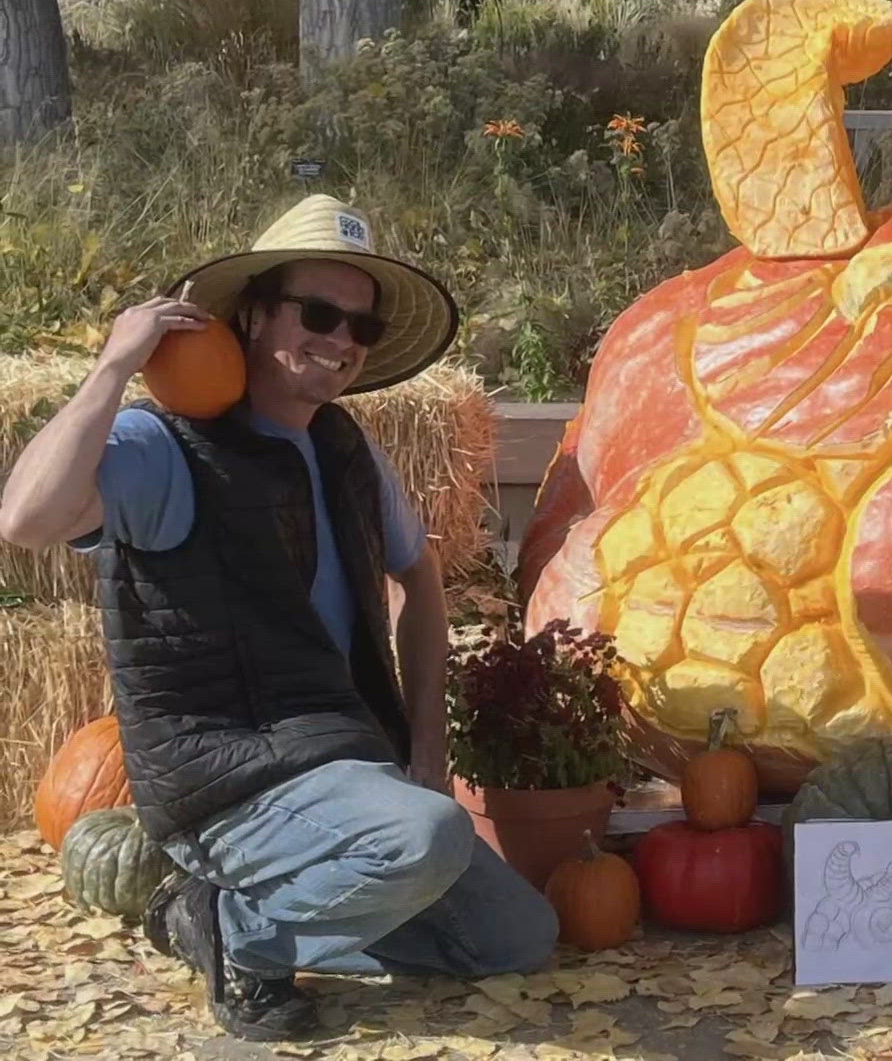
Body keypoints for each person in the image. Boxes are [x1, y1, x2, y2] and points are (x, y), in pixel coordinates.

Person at [0, 194, 557, 1042]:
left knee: (516, 937)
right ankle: (241, 938)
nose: (339, 341)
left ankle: (224, 916)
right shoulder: (167, 447)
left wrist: (426, 747)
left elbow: (420, 575)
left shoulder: (345, 448)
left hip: (341, 762)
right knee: (425, 839)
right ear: (255, 314)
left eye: (359, 328)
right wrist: (114, 367)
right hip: (228, 779)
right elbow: (25, 521)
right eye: (319, 313)